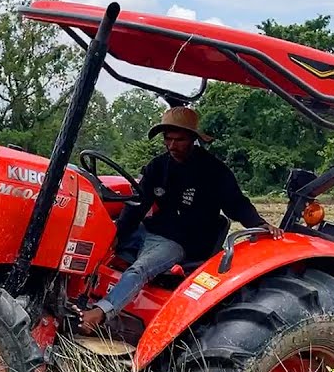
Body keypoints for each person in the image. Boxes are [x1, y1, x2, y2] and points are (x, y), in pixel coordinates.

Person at [79, 106, 282, 334]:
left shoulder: (213, 171)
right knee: (93, 238)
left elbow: (236, 203)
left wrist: (260, 223)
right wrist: (116, 235)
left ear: (193, 139)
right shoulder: (158, 166)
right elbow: (138, 204)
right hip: (150, 230)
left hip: (179, 241)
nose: (172, 145)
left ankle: (100, 312)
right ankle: (71, 292)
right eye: (168, 139)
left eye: (180, 139)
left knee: (140, 269)